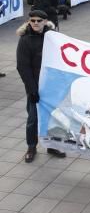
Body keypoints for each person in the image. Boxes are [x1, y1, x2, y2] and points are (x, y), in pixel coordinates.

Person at [16, 9, 66, 163]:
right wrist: (32, 90)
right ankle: (31, 147)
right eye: (32, 20)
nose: (35, 23)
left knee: (52, 117)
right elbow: (23, 67)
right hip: (35, 87)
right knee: (33, 118)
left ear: (45, 22)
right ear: (29, 22)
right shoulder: (25, 40)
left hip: (51, 86)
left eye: (39, 20)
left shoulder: (52, 38)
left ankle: (51, 145)